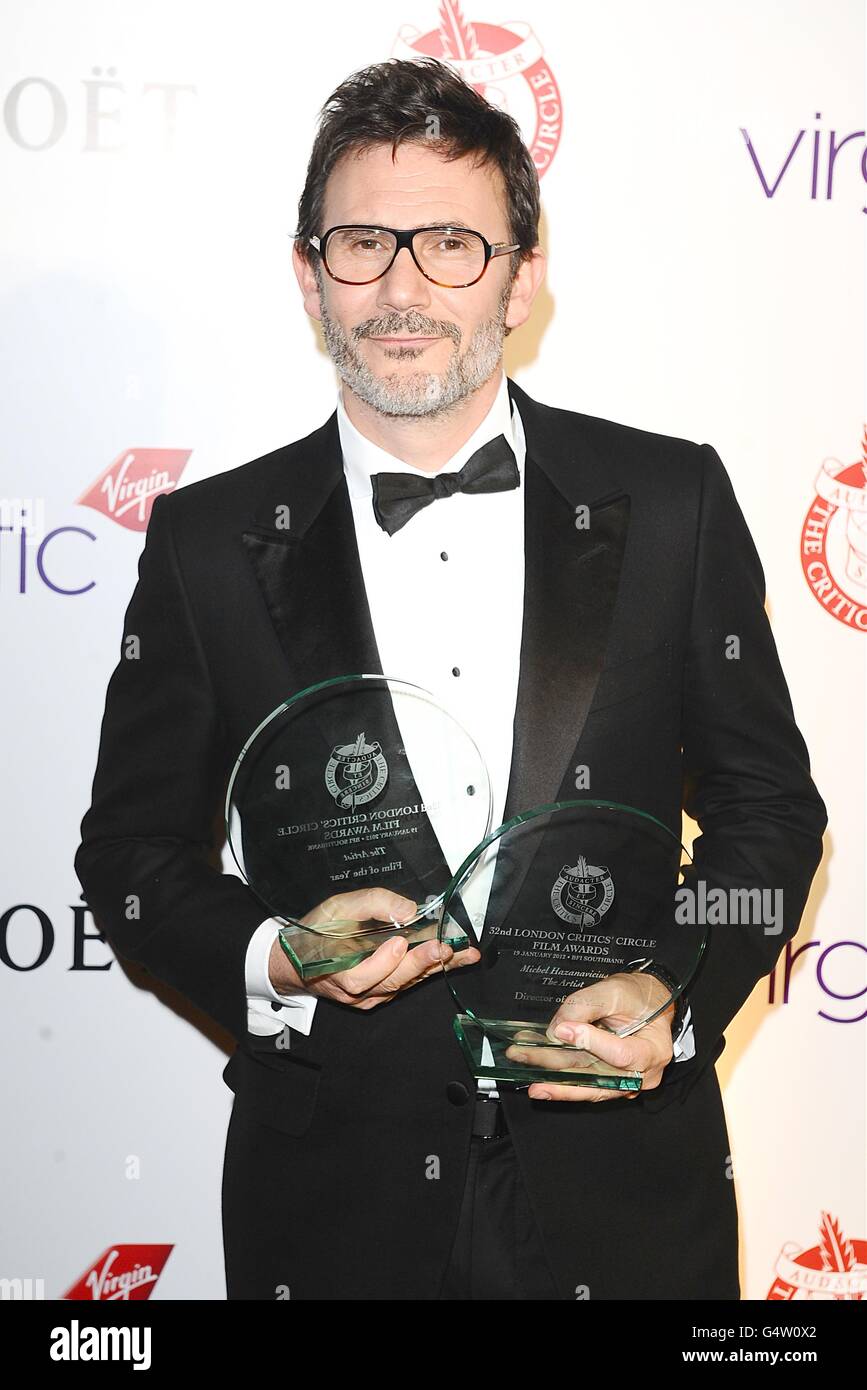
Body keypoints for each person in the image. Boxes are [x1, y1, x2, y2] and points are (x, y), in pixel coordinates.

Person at [74, 56, 827, 1301]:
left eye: (453, 245)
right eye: (363, 243)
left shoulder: (674, 500)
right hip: (330, 1206)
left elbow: (771, 817)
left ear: (524, 278)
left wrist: (679, 986)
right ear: (309, 278)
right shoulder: (206, 543)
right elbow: (133, 855)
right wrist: (277, 954)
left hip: (627, 1200)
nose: (403, 286)